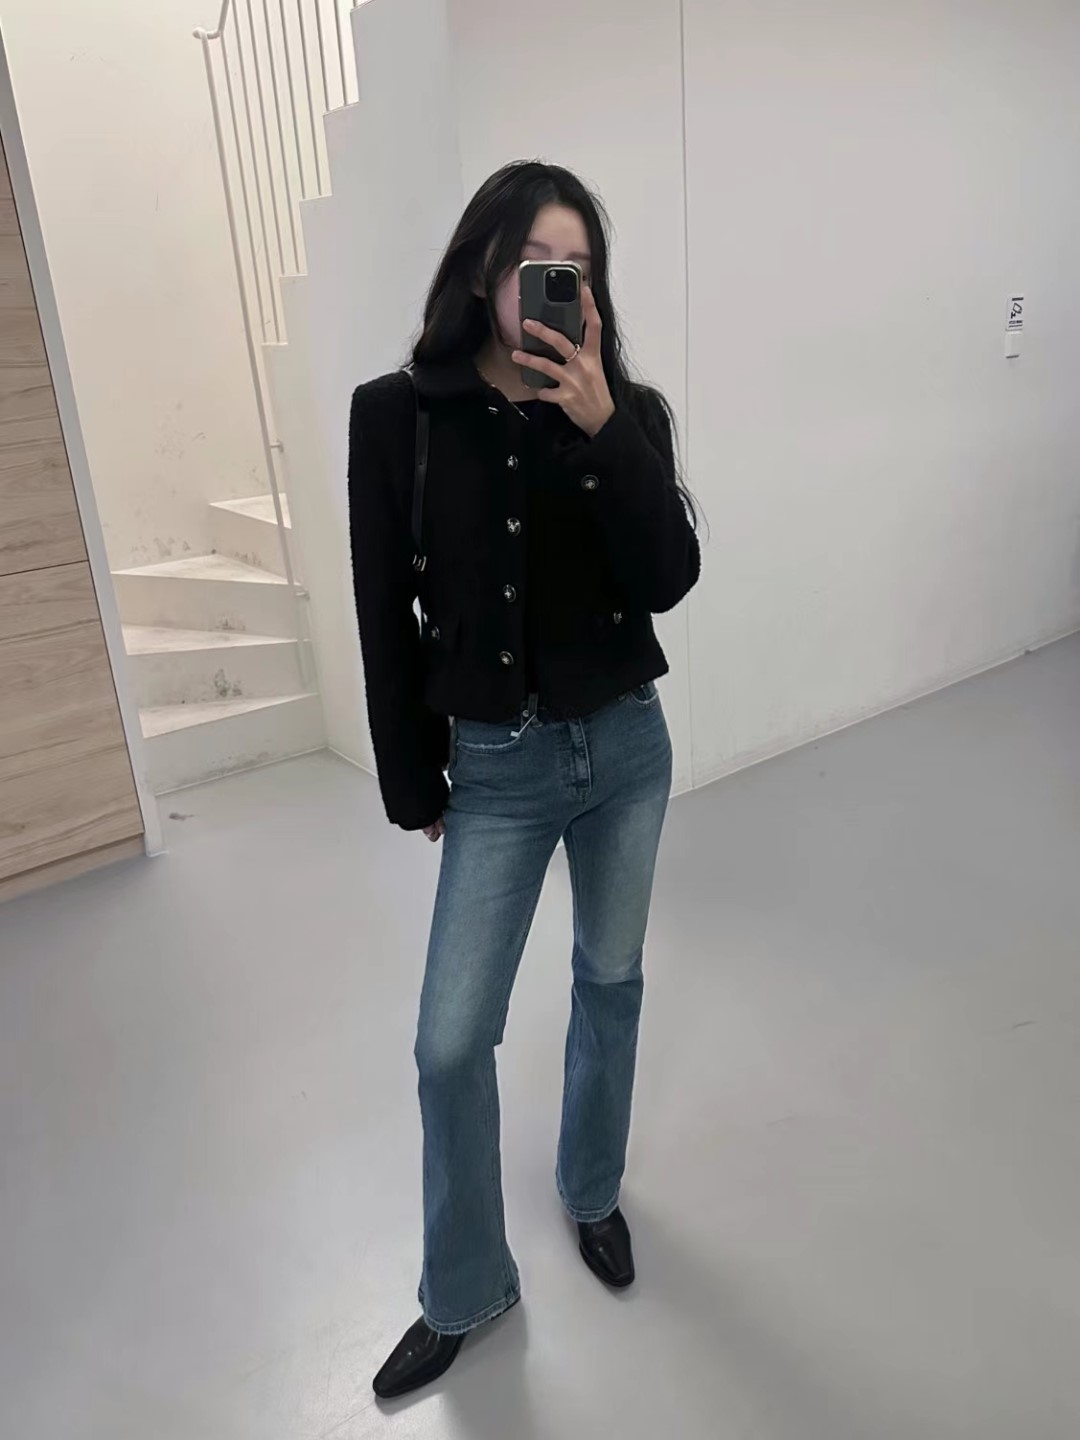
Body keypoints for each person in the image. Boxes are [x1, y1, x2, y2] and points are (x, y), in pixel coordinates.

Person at [348, 160, 700, 1400]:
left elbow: (670, 577)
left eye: (579, 271)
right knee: (450, 1043)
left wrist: (604, 428)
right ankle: (467, 1286)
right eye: (534, 266)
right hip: (497, 768)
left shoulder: (626, 413)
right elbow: (384, 618)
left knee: (611, 982)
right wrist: (414, 784)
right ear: (483, 273)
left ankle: (591, 1190)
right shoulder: (398, 416)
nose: (557, 289)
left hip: (627, 750)